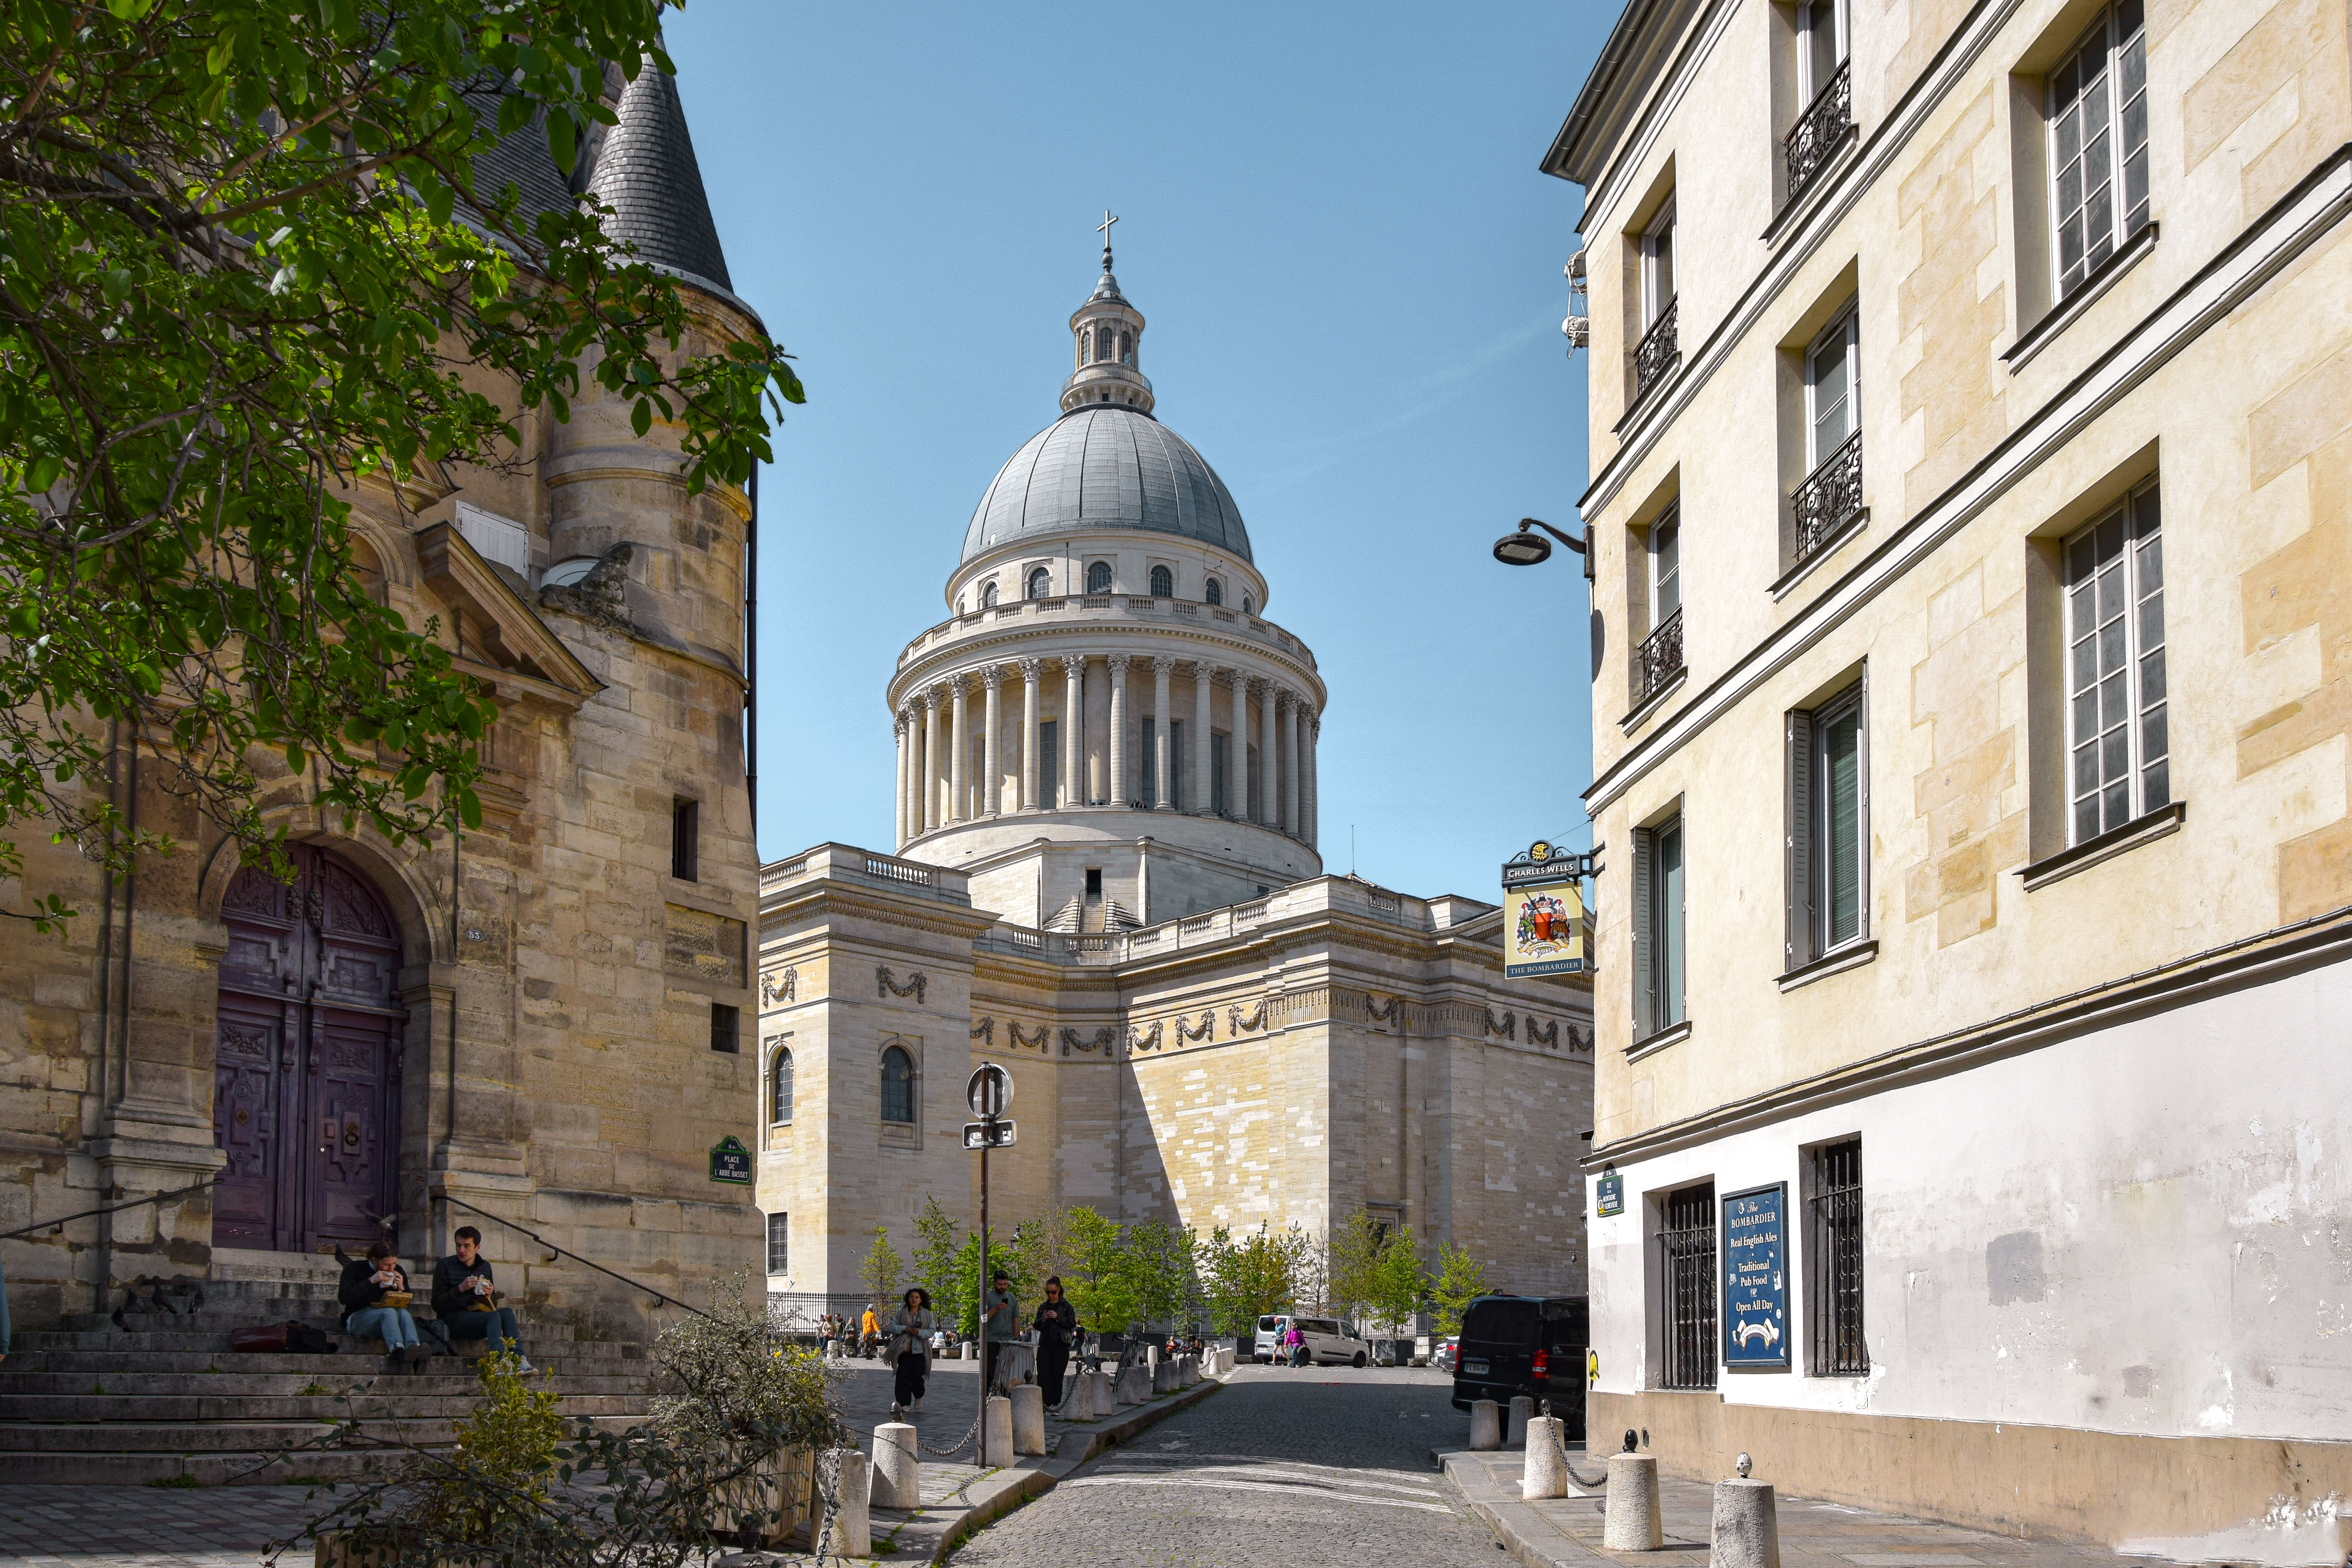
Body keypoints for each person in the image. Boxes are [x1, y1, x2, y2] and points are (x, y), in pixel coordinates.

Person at [432, 1225, 532, 1372]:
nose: (461, 1250)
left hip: (478, 1318)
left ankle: (519, 1359)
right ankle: (499, 1361)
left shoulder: (485, 1267)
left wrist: (489, 1295)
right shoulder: (444, 1266)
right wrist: (460, 1289)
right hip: (452, 1321)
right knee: (493, 1317)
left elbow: (493, 1304)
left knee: (506, 1313)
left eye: (467, 1246)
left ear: (477, 1247)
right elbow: (436, 1304)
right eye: (458, 1245)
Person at [339, 1241, 430, 1370]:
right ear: (374, 1261)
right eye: (387, 1265)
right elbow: (344, 1297)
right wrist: (371, 1281)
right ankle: (399, 1353)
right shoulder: (355, 1268)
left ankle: (415, 1351)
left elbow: (406, 1304)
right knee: (389, 1312)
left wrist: (401, 1289)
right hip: (357, 1318)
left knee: (403, 1313)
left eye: (394, 1264)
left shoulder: (398, 1270)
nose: (392, 1269)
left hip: (387, 1321)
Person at [889, 1287, 934, 1419]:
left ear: (921, 1300)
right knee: (903, 1377)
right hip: (904, 1350)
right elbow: (892, 1327)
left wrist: (919, 1332)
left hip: (920, 1350)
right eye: (912, 1297)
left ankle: (919, 1395)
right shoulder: (901, 1313)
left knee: (917, 1378)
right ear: (908, 1299)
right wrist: (905, 1329)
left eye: (917, 1297)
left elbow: (931, 1331)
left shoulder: (927, 1315)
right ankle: (904, 1403)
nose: (914, 1299)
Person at [1033, 1275, 1078, 1407]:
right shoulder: (1043, 1307)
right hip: (1045, 1345)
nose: (1051, 1295)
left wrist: (1058, 1317)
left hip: (1061, 1345)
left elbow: (1072, 1323)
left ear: (1059, 1290)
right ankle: (1043, 1403)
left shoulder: (1066, 1307)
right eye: (1048, 1292)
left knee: (1057, 1375)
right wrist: (1043, 1319)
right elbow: (1037, 1325)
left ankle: (1055, 1403)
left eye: (1053, 1292)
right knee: (1043, 1375)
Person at [980, 1269, 1017, 1392]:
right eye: (1000, 1284)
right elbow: (982, 1319)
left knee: (1006, 1372)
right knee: (990, 1371)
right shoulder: (987, 1297)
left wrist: (1016, 1338)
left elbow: (1015, 1318)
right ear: (994, 1283)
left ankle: (1004, 1394)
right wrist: (995, 1309)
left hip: (1008, 1341)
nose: (1003, 1287)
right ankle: (989, 1395)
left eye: (1005, 1284)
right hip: (991, 1340)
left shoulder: (1012, 1298)